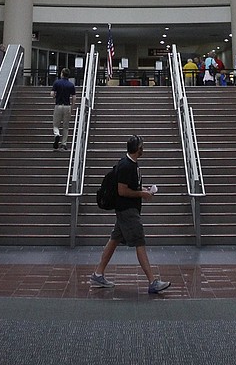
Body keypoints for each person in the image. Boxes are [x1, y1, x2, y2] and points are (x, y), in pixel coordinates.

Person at [90, 135, 170, 294]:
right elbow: (122, 190)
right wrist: (142, 194)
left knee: (114, 240)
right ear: (137, 148)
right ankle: (152, 282)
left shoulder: (131, 164)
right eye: (142, 146)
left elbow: (130, 186)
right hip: (128, 211)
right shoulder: (127, 165)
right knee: (140, 242)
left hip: (126, 210)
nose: (143, 148)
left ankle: (98, 274)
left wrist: (143, 190)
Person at [51, 66, 75, 151]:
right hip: (67, 106)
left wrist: (54, 96)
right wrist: (72, 107)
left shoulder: (57, 83)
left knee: (56, 124)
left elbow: (52, 94)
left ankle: (57, 134)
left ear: (62, 74)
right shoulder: (71, 85)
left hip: (58, 105)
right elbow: (74, 97)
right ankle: (64, 144)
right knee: (66, 126)